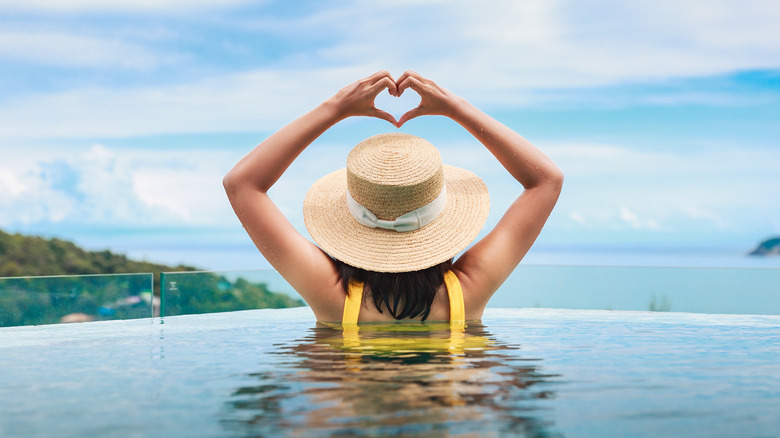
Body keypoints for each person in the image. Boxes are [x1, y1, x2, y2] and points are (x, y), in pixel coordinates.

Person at [223, 70, 563, 324]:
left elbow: (242, 184)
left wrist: (334, 108)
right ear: (441, 222)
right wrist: (456, 108)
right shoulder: (469, 292)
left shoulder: (331, 297)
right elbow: (546, 180)